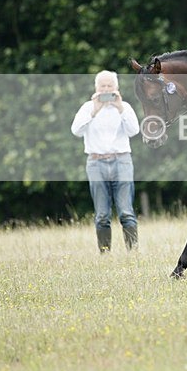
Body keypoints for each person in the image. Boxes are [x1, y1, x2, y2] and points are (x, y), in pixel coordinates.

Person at [71, 70, 141, 252]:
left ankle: (132, 251)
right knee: (102, 214)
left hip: (122, 161)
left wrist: (120, 108)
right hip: (96, 162)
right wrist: (94, 110)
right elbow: (76, 130)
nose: (106, 89)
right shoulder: (88, 107)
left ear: (116, 88)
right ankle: (105, 252)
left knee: (126, 211)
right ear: (96, 88)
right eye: (103, 86)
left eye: (110, 86)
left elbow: (134, 130)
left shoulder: (124, 106)